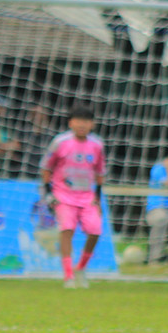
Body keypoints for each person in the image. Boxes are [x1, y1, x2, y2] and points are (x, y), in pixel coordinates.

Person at [40, 105, 107, 288]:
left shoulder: (97, 145)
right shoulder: (60, 142)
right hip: (63, 195)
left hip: (87, 196)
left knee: (95, 231)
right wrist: (48, 192)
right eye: (78, 121)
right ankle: (68, 275)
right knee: (67, 230)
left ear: (92, 124)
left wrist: (98, 196)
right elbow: (46, 167)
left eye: (86, 121)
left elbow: (100, 172)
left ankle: (81, 268)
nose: (82, 125)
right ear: (70, 123)